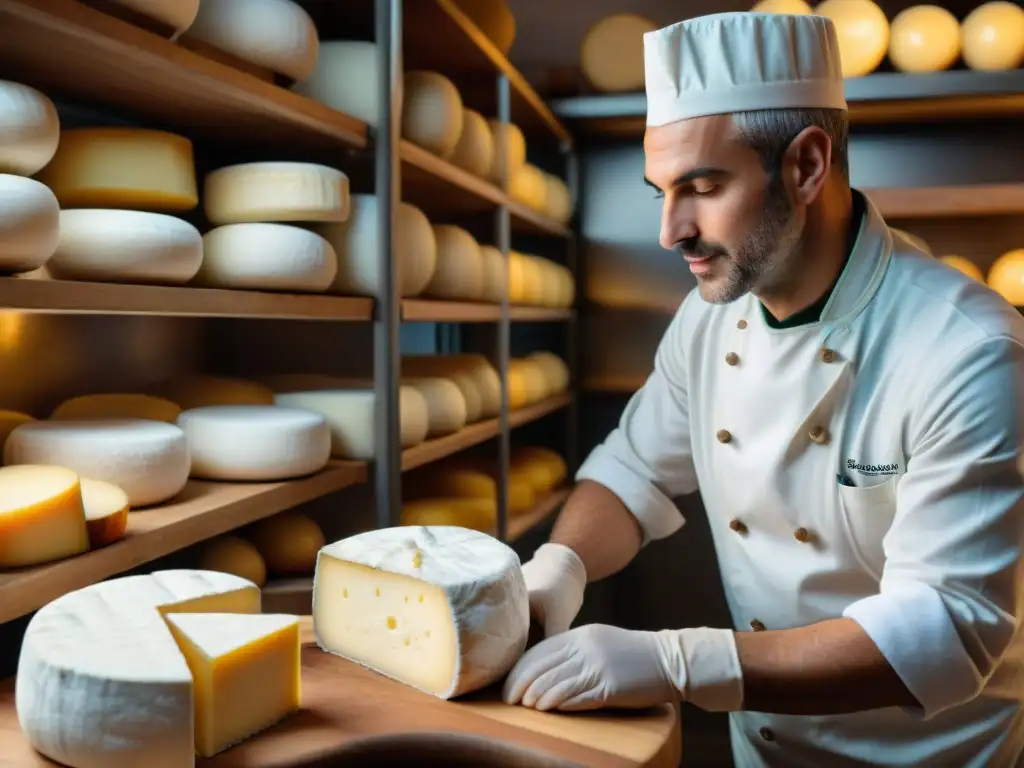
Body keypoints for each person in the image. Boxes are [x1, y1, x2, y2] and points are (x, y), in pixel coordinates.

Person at [502, 11, 1024, 767]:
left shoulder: (967, 350)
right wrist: (561, 567)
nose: (671, 231)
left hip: (929, 756)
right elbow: (634, 471)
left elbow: (943, 628)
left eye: (703, 186)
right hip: (767, 746)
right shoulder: (709, 321)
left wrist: (683, 663)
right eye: (660, 193)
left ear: (808, 165)